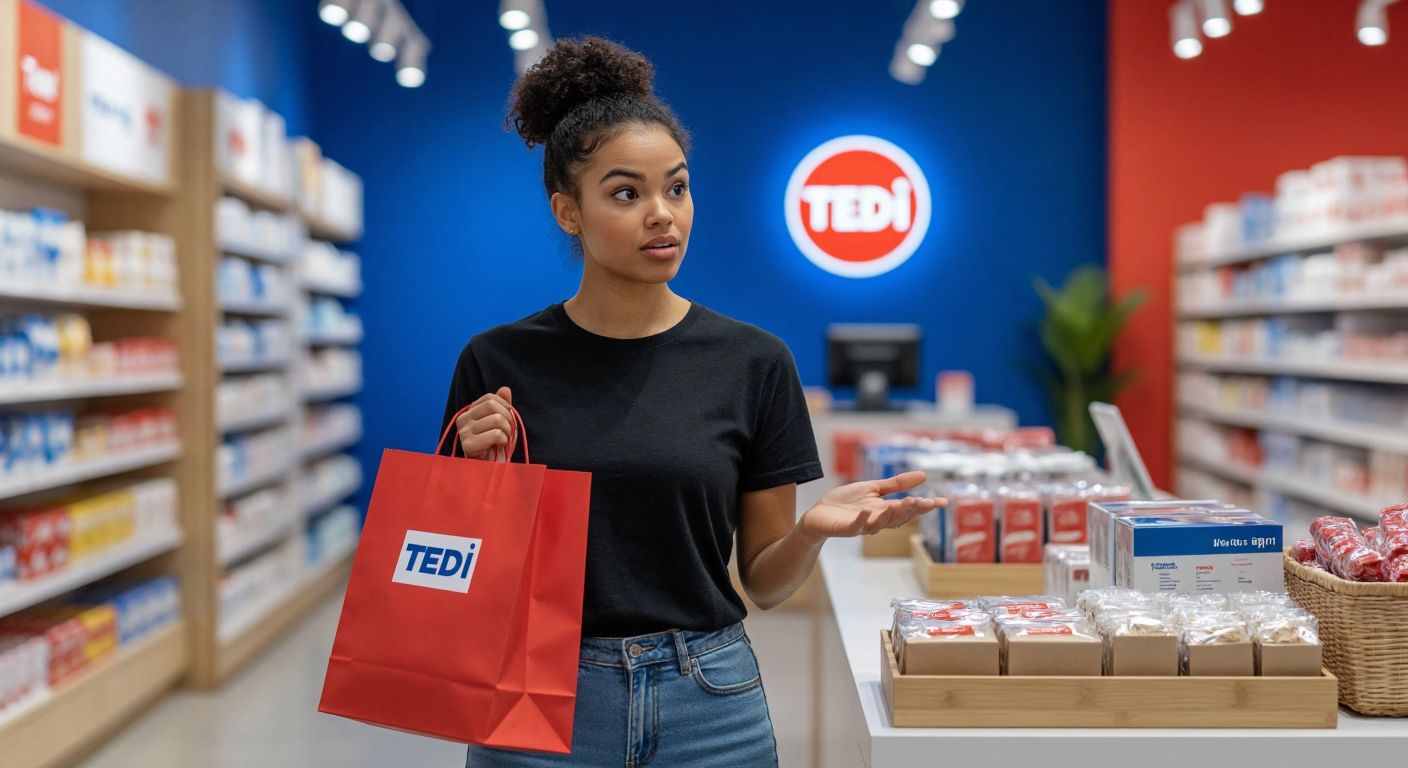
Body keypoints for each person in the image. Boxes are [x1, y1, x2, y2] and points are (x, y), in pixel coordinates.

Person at [441, 36, 939, 768]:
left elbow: (764, 582)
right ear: (566, 211)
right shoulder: (498, 362)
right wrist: (469, 477)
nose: (662, 214)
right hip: (536, 697)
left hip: (710, 702)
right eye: (625, 193)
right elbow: (453, 570)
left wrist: (810, 534)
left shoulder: (754, 362)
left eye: (676, 187)